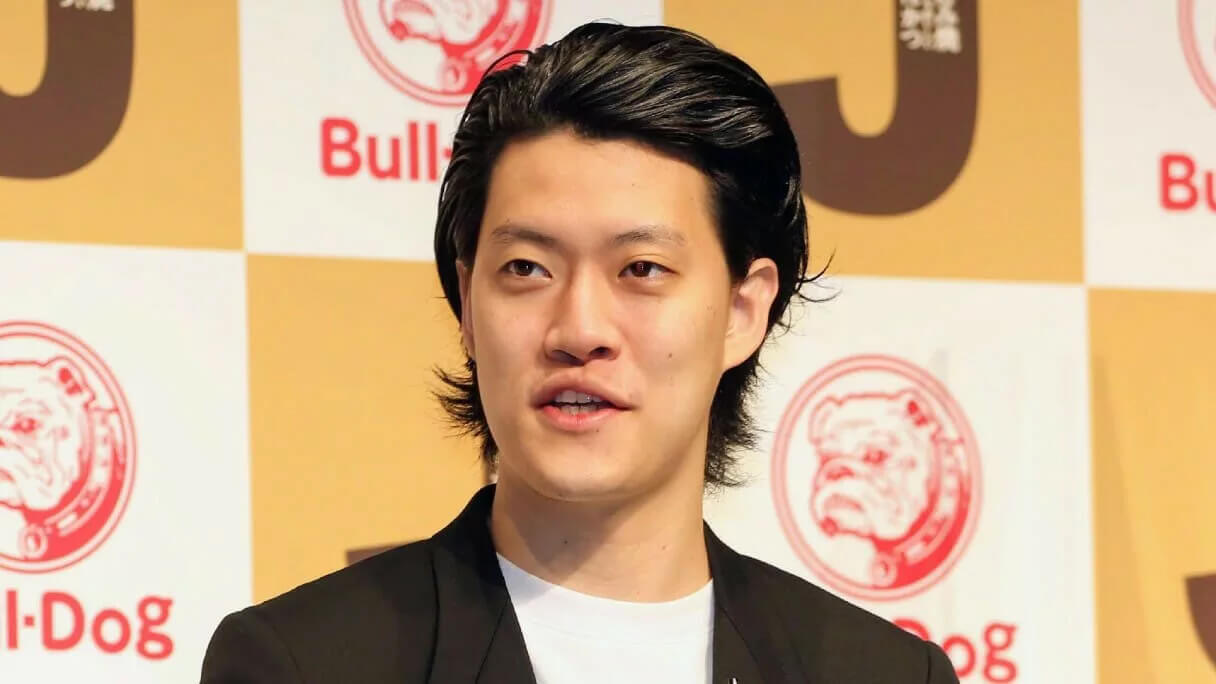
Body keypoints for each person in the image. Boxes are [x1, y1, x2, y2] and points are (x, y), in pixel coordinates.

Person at [200, 21, 960, 684]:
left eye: (642, 270)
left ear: (742, 310)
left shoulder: (881, 673)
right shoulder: (307, 663)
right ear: (467, 304)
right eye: (527, 268)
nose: (578, 328)